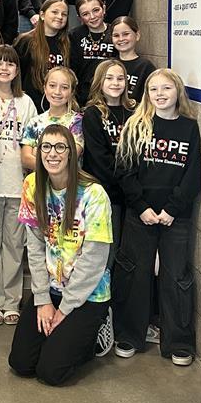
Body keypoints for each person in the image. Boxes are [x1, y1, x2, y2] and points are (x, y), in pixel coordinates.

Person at [8, 125, 112, 386]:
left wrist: (64, 310)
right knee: (21, 363)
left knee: (51, 372)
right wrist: (43, 300)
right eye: (46, 147)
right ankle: (62, 337)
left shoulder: (93, 194)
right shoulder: (32, 186)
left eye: (60, 147)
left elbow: (95, 260)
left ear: (70, 154)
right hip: (52, 289)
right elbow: (34, 248)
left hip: (88, 294)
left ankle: (97, 329)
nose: (52, 154)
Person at [113, 69, 201, 367]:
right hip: (141, 215)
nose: (160, 94)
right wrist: (141, 207)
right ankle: (129, 335)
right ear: (146, 94)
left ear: (178, 91)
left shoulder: (190, 128)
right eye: (153, 89)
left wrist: (172, 210)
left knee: (175, 277)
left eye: (166, 88)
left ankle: (178, 341)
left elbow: (192, 177)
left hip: (175, 217)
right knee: (134, 274)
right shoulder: (136, 125)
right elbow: (125, 172)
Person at [0, 46, 36, 326]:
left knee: (15, 244)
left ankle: (11, 300)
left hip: (18, 183)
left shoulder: (26, 102)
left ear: (17, 70)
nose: (4, 68)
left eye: (10, 64)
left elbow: (31, 146)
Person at [82, 60, 135, 258]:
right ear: (99, 82)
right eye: (109, 78)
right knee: (105, 252)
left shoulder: (134, 112)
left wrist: (134, 187)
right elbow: (99, 159)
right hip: (105, 193)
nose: (115, 83)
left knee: (124, 250)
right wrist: (127, 182)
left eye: (120, 78)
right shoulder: (93, 114)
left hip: (130, 195)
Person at [20, 66, 84, 172]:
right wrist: (57, 157)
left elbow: (71, 158)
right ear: (45, 88)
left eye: (64, 87)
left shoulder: (78, 121)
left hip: (68, 185)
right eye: (52, 86)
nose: (57, 92)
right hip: (38, 185)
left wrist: (37, 152)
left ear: (72, 91)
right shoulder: (35, 122)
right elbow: (25, 159)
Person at [14, 0, 70, 109]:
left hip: (58, 103)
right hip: (30, 104)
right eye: (55, 12)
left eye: (64, 14)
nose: (60, 16)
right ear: (42, 15)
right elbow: (17, 74)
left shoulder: (68, 43)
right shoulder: (25, 41)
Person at [69, 0, 115, 107]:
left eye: (96, 10)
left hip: (111, 95)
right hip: (82, 98)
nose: (93, 17)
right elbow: (72, 68)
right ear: (80, 18)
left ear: (103, 9)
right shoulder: (74, 35)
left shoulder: (115, 33)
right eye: (86, 14)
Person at [110, 16, 155, 102]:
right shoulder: (107, 65)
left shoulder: (145, 67)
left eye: (126, 34)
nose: (121, 39)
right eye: (116, 35)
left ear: (137, 35)